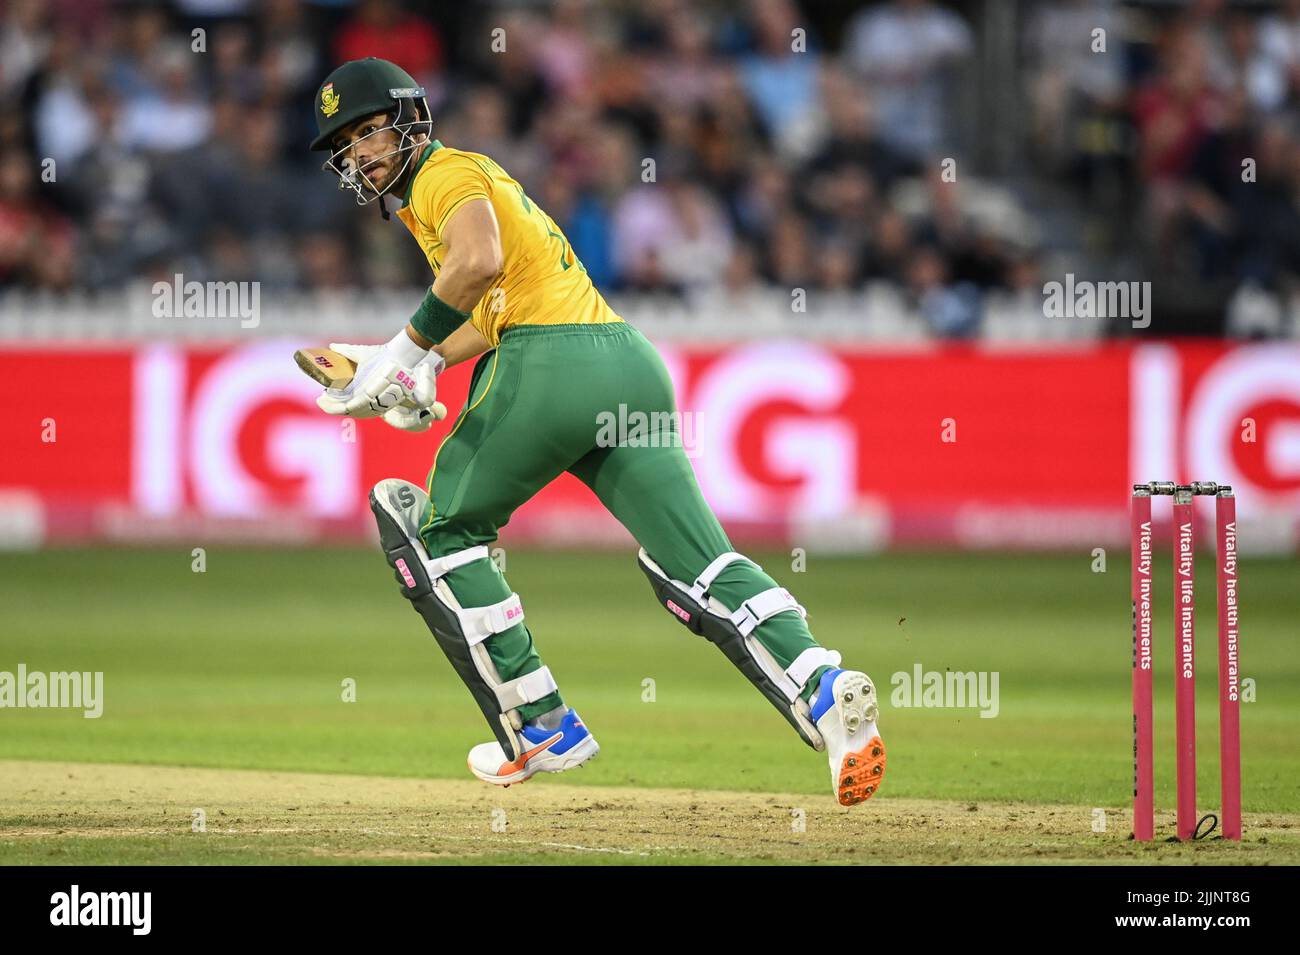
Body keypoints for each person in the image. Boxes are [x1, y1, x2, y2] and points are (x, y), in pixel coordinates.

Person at [307, 57, 885, 805]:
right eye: (346, 146)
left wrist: (402, 353)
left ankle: (543, 723)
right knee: (697, 565)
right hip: (625, 364)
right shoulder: (456, 187)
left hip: (549, 367)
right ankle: (823, 685)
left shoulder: (441, 175)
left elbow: (477, 265)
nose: (359, 155)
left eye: (367, 132)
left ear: (409, 118)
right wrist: (411, 364)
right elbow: (486, 303)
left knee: (434, 534)